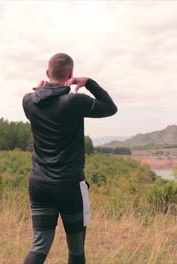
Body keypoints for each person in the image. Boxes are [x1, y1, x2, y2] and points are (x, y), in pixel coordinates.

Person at [22, 53, 117, 264]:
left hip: (39, 184)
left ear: (47, 73)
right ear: (71, 74)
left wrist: (42, 91)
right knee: (76, 250)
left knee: (39, 245)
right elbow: (110, 108)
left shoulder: (29, 100)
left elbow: (41, 103)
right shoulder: (74, 101)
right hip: (70, 185)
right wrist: (90, 83)